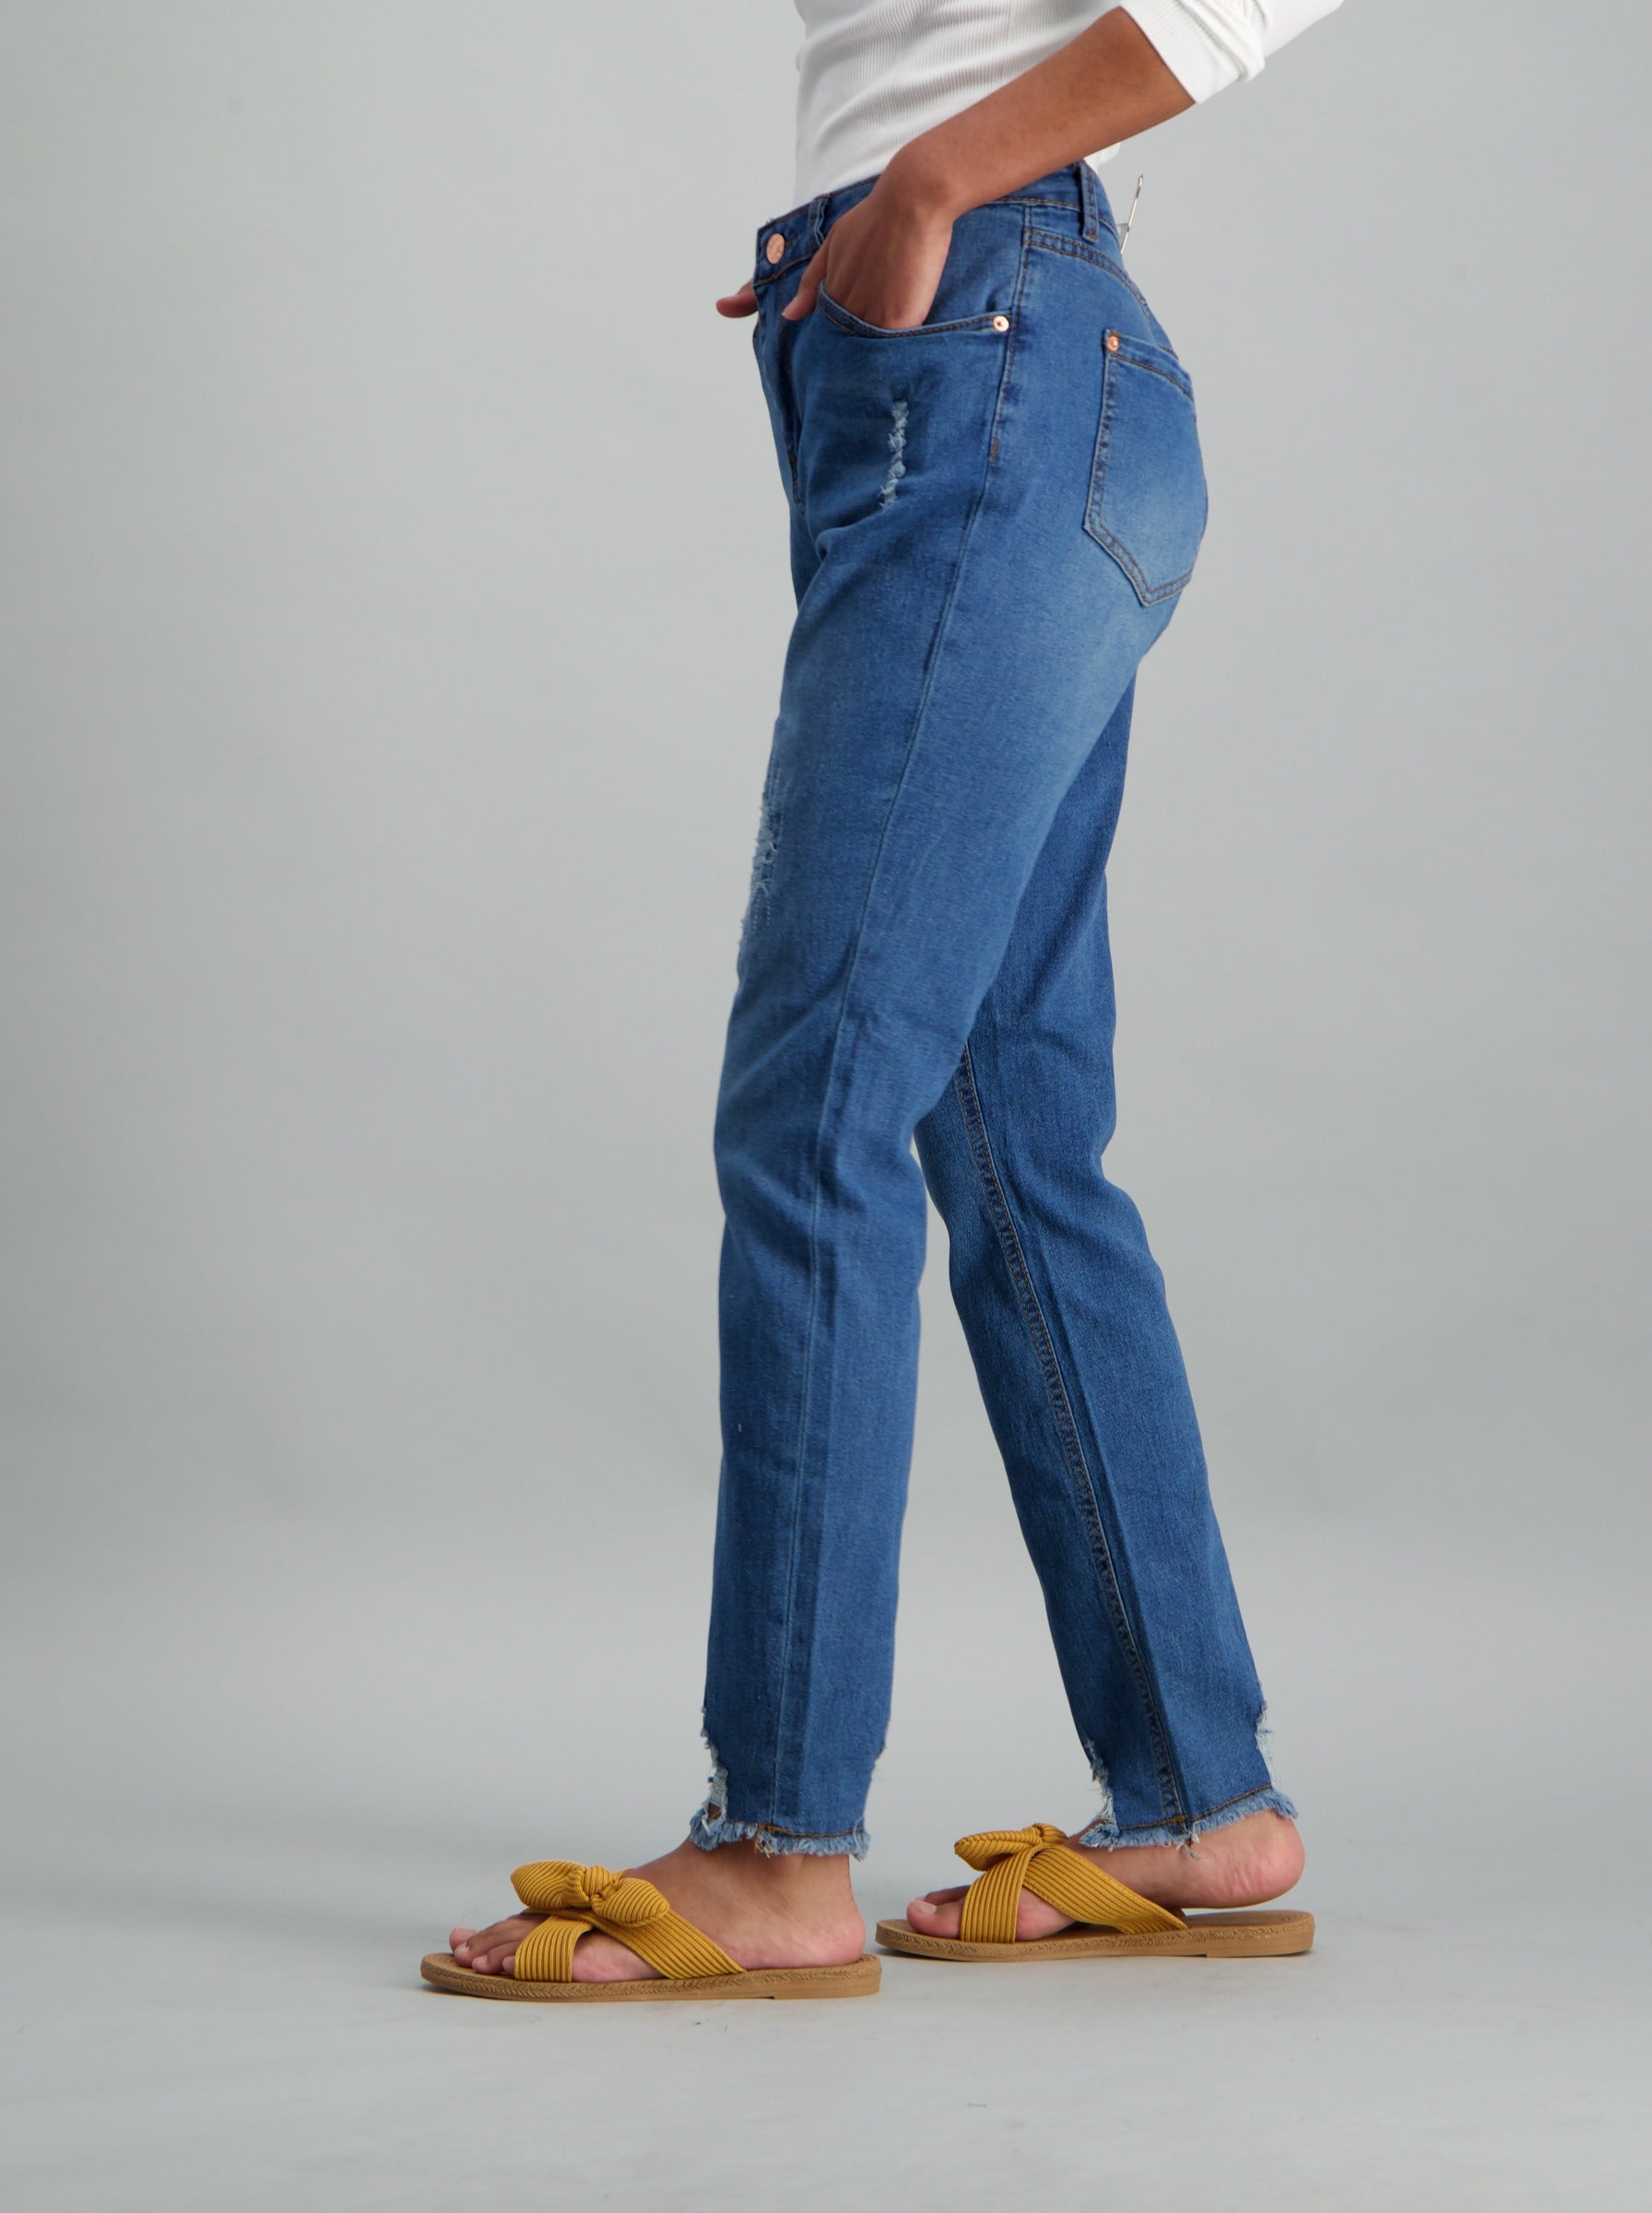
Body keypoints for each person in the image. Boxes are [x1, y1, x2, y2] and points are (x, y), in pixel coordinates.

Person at [425, 0, 1343, 2002]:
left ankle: (777, 1845)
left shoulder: (963, 214)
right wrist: (855, 236)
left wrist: (925, 182)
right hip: (981, 364)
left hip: (992, 350)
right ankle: (1200, 1795)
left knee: (820, 1100)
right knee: (1011, 1131)